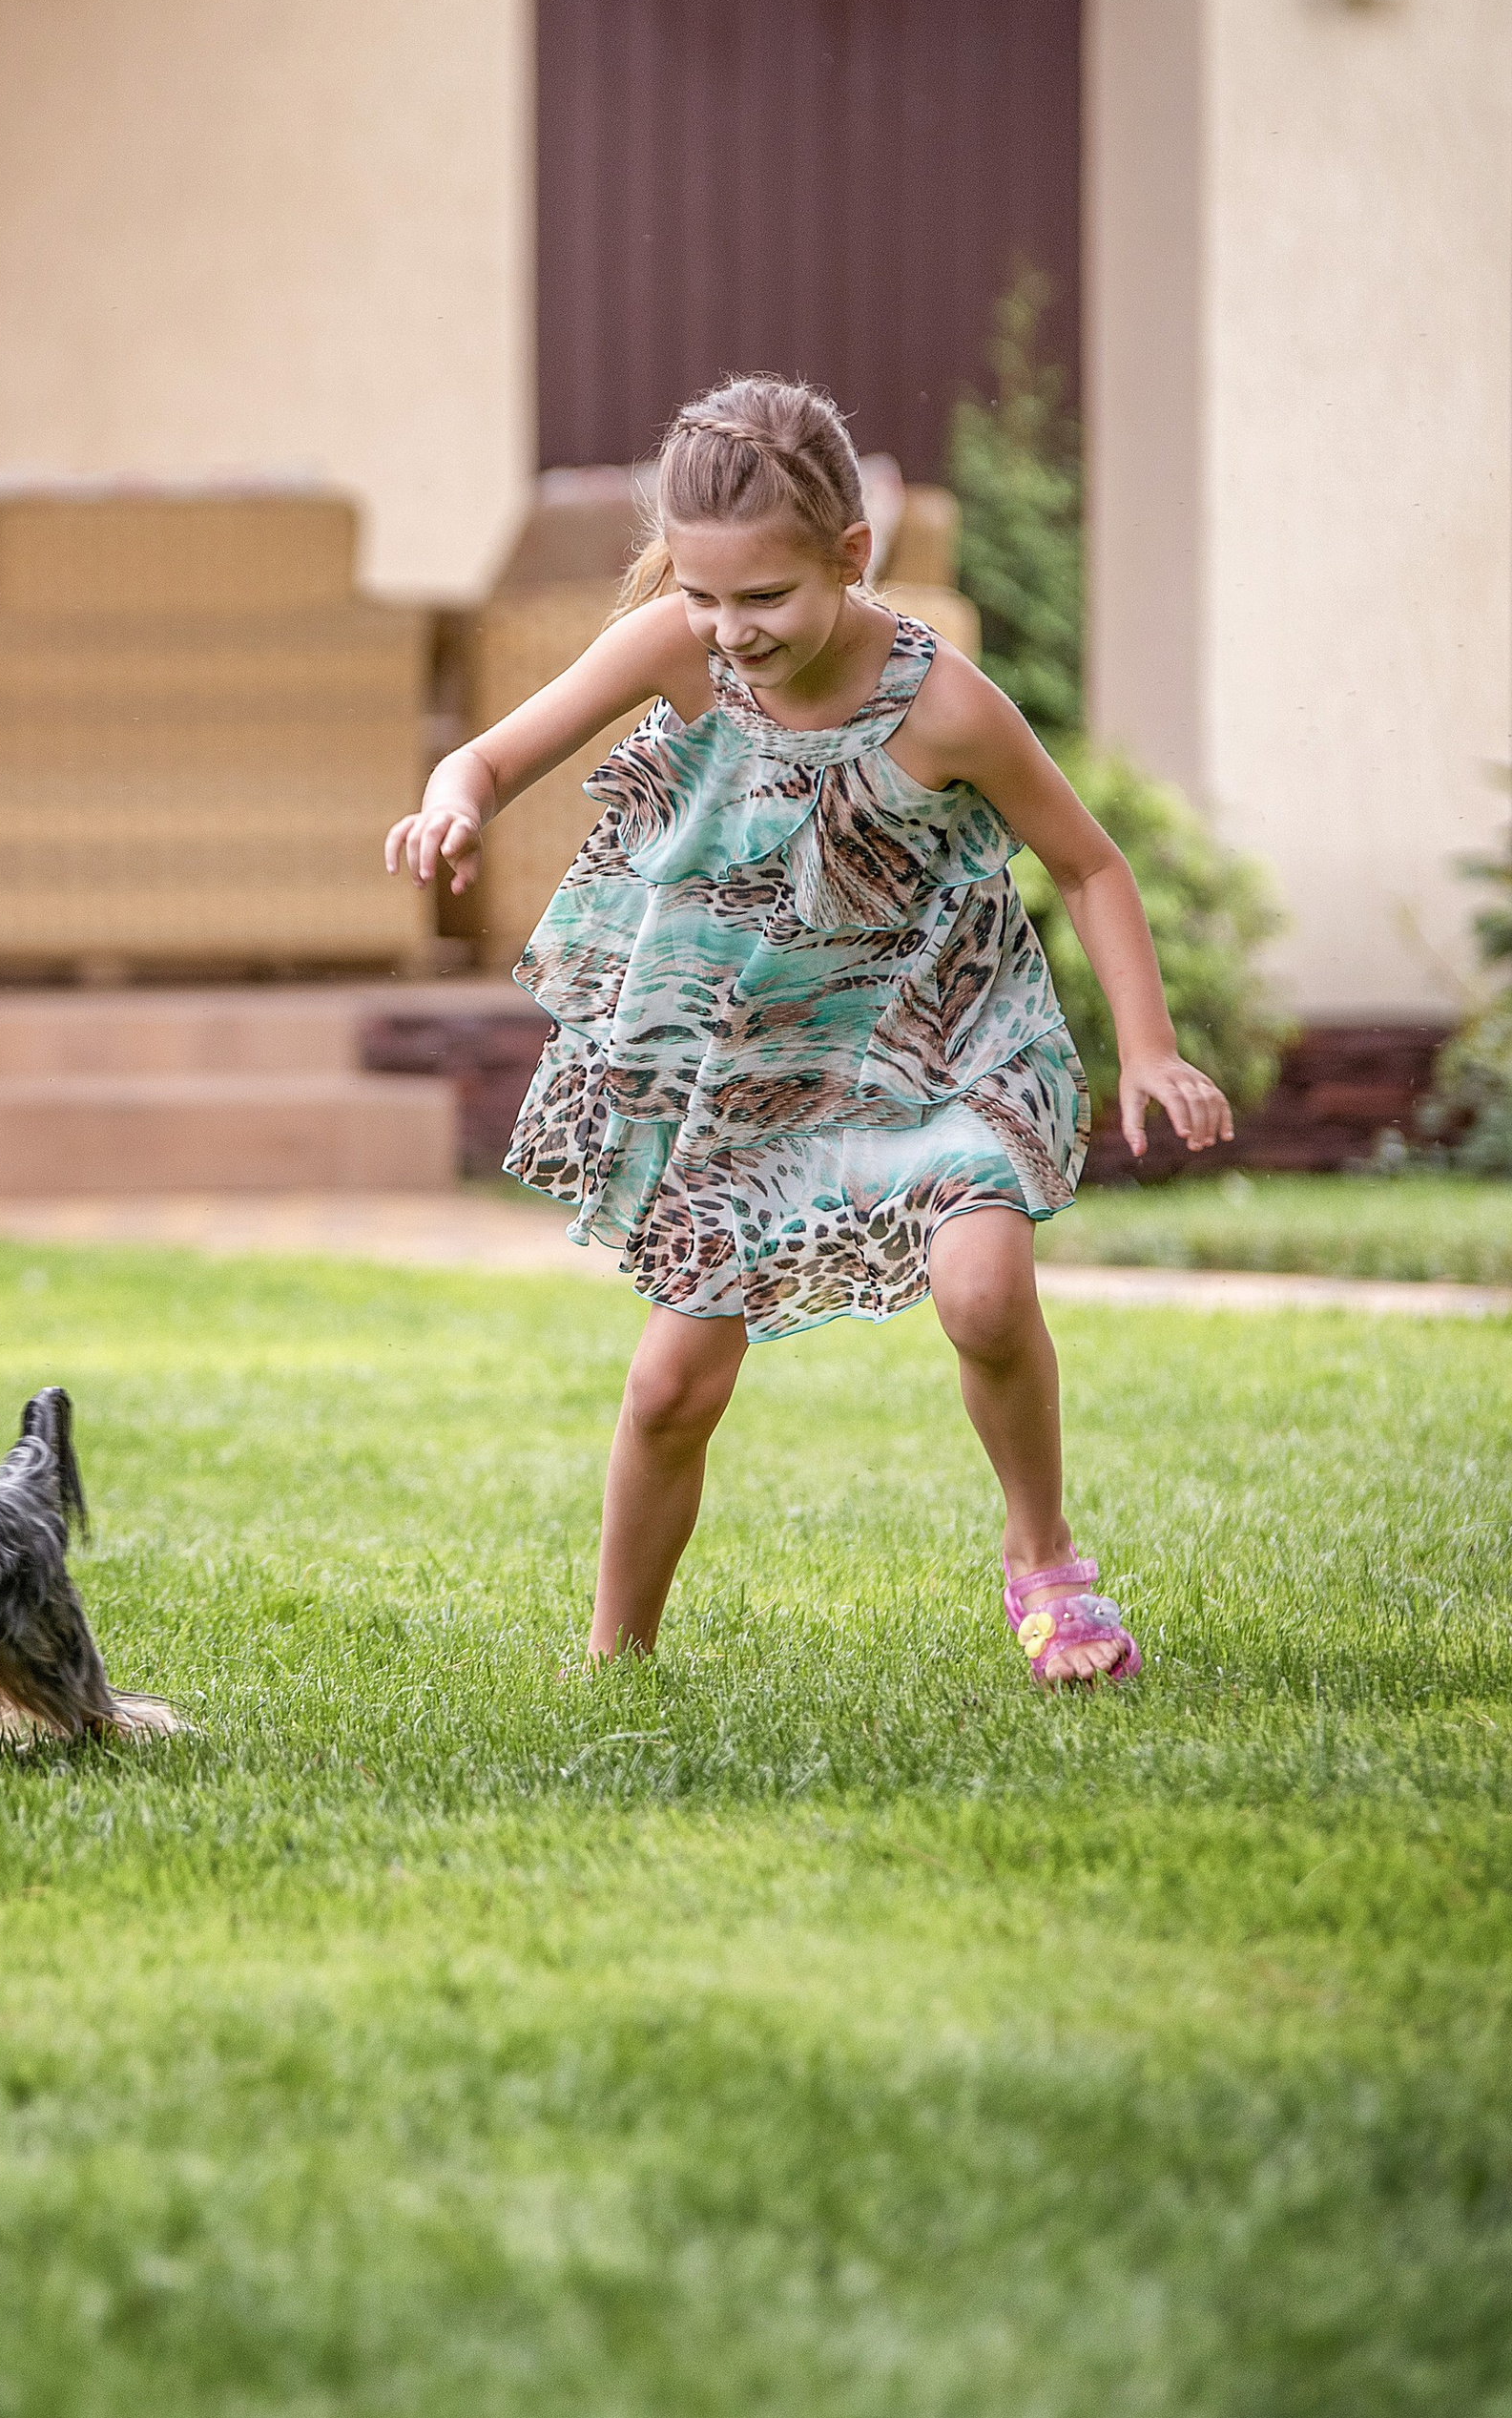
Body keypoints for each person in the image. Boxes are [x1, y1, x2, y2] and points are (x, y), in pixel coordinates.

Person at [386, 376, 1232, 1685]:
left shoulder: (945, 706)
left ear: (851, 557)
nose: (732, 632)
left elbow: (1089, 863)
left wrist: (1154, 1046)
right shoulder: (679, 646)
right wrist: (452, 805)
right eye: (705, 596)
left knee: (988, 1292)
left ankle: (1046, 1561)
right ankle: (617, 1657)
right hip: (758, 1067)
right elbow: (489, 758)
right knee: (671, 1389)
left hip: (935, 1039)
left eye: (764, 599)